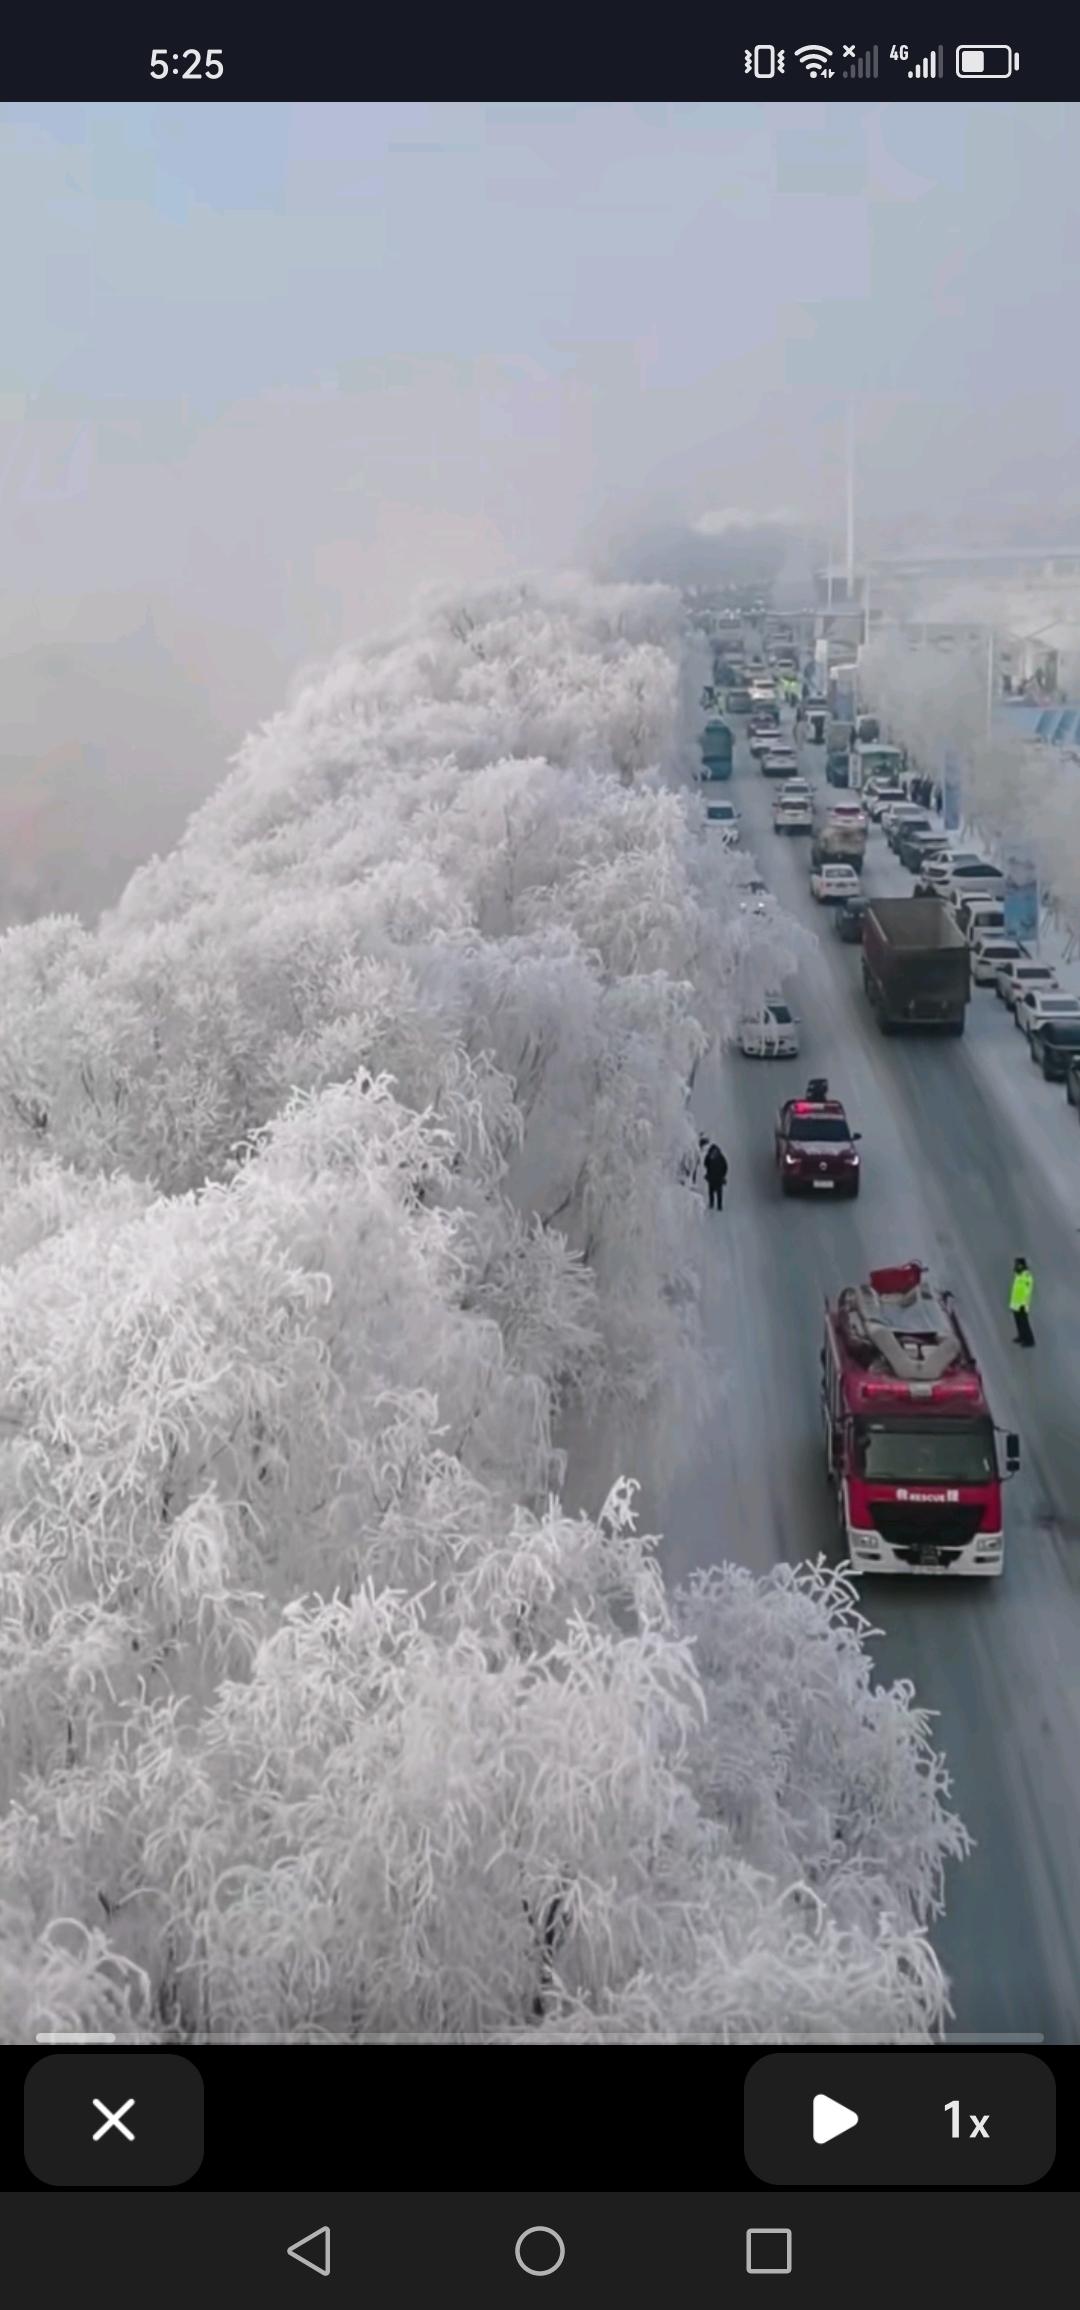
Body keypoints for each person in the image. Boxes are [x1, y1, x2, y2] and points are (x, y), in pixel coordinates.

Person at [1009, 1256, 1035, 1346]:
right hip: (1017, 1302)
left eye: (1017, 1264)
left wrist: (1023, 1303)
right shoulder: (1020, 1275)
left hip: (1022, 1303)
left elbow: (1025, 1290)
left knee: (1024, 1323)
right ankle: (1022, 1336)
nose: (1015, 1266)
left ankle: (1029, 1340)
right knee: (1019, 1322)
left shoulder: (1026, 1276)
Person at [702, 1140, 728, 1211]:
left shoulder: (720, 1158)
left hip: (716, 1177)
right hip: (713, 1177)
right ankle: (713, 1204)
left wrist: (722, 1174)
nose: (714, 1153)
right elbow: (705, 1164)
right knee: (712, 1192)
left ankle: (717, 1206)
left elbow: (725, 1167)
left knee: (716, 1192)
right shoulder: (716, 1157)